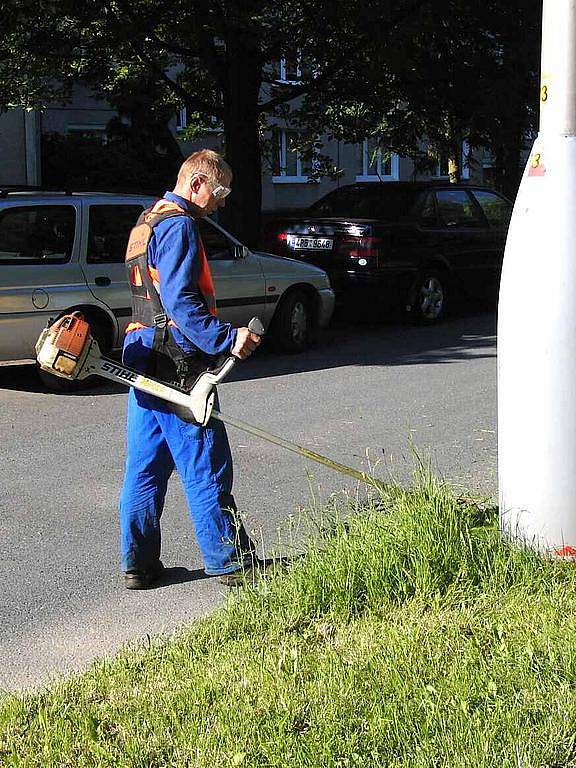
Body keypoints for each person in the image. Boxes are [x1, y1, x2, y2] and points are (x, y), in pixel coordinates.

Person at [118, 149, 262, 589]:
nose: (220, 202)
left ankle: (138, 565)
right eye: (218, 192)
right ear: (197, 183)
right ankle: (231, 562)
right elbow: (182, 304)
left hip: (142, 354)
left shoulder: (147, 221)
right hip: (177, 363)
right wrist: (226, 339)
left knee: (145, 468)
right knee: (205, 463)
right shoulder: (179, 226)